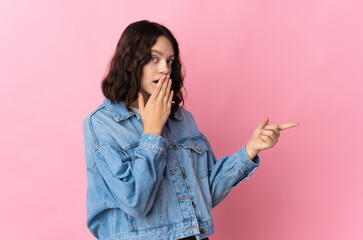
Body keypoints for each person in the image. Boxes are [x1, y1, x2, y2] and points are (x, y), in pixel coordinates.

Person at [83, 20, 300, 240]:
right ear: (129, 63)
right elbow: (135, 201)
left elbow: (204, 192)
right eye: (153, 59)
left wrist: (250, 150)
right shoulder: (102, 124)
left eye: (170, 61)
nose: (165, 69)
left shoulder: (181, 118)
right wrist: (152, 132)